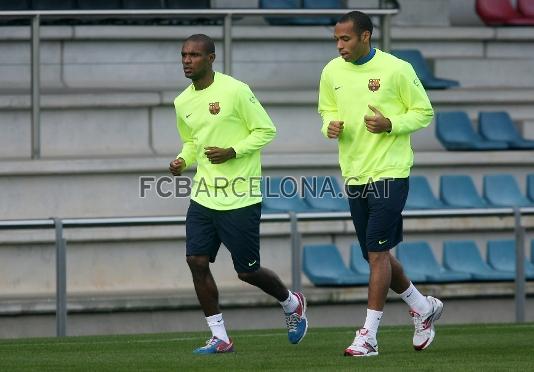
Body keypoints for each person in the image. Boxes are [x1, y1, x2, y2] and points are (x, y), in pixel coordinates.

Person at [169, 34, 308, 355]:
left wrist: (233, 151)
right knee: (196, 260)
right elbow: (192, 141)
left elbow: (266, 130)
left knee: (247, 271)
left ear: (211, 58)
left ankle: (291, 302)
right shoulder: (182, 101)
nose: (187, 60)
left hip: (240, 197)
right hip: (203, 195)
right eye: (183, 55)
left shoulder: (236, 90)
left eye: (194, 55)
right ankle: (219, 337)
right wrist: (183, 160)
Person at [318, 11, 443, 357]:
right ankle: (421, 306)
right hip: (354, 173)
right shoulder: (331, 71)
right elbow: (326, 110)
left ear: (366, 36)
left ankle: (368, 335)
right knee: (378, 254)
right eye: (336, 40)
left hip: (390, 172)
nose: (340, 46)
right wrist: (330, 126)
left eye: (346, 39)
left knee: (375, 253)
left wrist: (390, 123)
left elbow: (423, 111)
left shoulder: (396, 69)